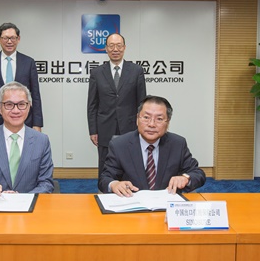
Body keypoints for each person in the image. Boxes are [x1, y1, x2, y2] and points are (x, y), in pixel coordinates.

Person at [98, 95, 206, 196]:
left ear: (167, 123)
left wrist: (186, 178)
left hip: (166, 206)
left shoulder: (177, 144)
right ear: (137, 119)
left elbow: (198, 173)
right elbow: (105, 178)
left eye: (159, 119)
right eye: (146, 117)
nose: (151, 124)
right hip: (132, 205)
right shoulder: (119, 145)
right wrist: (114, 184)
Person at [87, 33, 146, 179]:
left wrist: (142, 126)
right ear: (106, 49)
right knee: (105, 164)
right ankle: (105, 191)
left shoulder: (136, 71)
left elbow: (142, 102)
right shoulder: (97, 72)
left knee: (130, 163)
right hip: (104, 127)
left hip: (130, 126)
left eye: (119, 45)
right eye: (111, 46)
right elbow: (92, 104)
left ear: (124, 48)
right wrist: (93, 130)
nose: (115, 49)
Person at [0, 22, 43, 133]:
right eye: (6, 38)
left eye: (13, 38)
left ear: (18, 39)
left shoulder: (28, 62)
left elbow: (35, 95)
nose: (9, 42)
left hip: (23, 118)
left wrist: (37, 123)